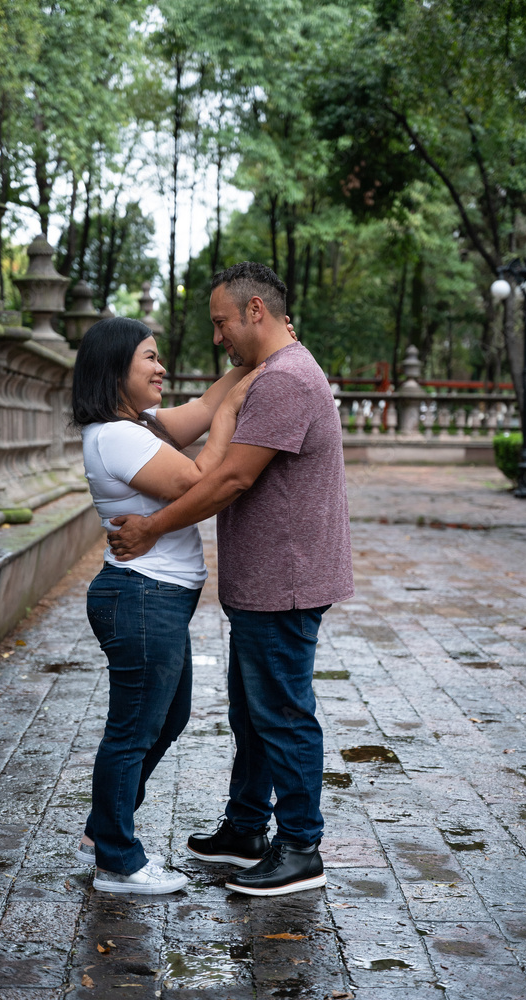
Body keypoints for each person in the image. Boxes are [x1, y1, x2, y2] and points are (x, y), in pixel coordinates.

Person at [107, 263, 354, 897]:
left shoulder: (287, 381)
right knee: (253, 714)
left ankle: (301, 847)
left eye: (222, 322)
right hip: (264, 579)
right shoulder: (266, 372)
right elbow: (185, 421)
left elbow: (230, 478)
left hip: (285, 580)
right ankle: (246, 829)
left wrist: (153, 527)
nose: (218, 337)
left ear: (254, 313)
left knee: (283, 714)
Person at [71, 316, 265, 895]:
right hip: (140, 596)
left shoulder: (143, 425)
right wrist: (235, 412)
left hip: (153, 597)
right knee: (132, 729)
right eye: (149, 359)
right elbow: (203, 478)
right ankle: (119, 862)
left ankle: (105, 826)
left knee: (167, 717)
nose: (162, 368)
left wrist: (262, 358)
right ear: (115, 370)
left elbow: (205, 403)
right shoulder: (118, 436)